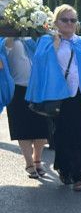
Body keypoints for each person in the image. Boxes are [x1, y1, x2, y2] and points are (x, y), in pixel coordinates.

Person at [26, 4, 81, 191]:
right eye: (64, 20)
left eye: (73, 20)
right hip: (59, 97)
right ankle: (71, 174)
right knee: (64, 136)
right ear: (55, 22)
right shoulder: (46, 41)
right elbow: (40, 64)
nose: (69, 23)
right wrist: (55, 45)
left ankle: (79, 175)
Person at [2, 36, 49, 179]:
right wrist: (12, 31)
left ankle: (37, 160)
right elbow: (5, 49)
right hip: (17, 89)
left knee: (42, 127)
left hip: (38, 88)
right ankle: (29, 163)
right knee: (22, 128)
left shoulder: (34, 38)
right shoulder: (8, 40)